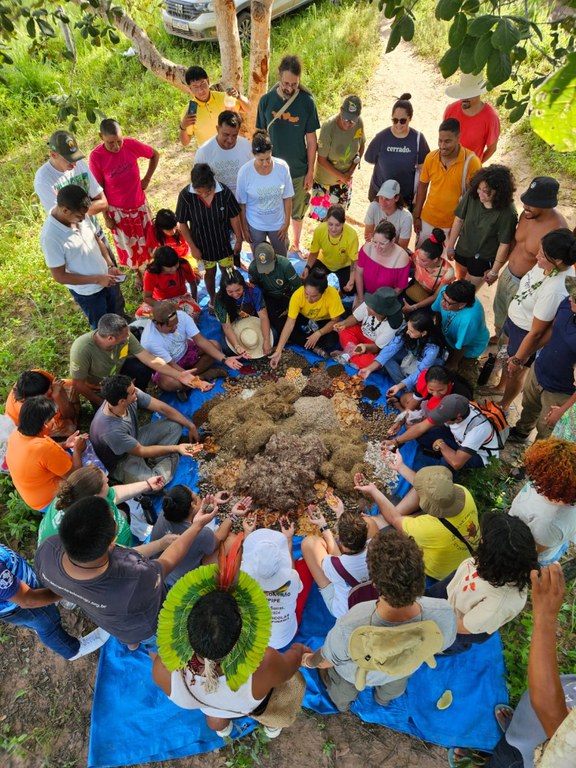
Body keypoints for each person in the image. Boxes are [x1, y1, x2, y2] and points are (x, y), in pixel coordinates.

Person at [152, 545, 310, 739]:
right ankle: (271, 727)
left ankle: (222, 730)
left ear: (187, 627)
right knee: (274, 708)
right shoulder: (265, 663)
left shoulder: (162, 670)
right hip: (249, 704)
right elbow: (288, 669)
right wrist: (298, 650)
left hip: (208, 705)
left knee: (215, 718)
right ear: (242, 630)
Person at [300, 530, 457, 712]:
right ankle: (383, 700)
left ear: (374, 582)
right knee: (393, 688)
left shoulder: (352, 622)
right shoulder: (444, 612)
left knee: (341, 694)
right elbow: (442, 643)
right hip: (401, 669)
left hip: (353, 675)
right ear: (422, 576)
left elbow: (328, 660)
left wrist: (309, 660)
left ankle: (343, 706)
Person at [35, 494, 218, 651]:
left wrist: (160, 544)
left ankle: (132, 645)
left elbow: (56, 591)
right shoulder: (135, 577)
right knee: (155, 638)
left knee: (128, 637)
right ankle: (148, 645)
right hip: (147, 626)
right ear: (112, 543)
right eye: (114, 519)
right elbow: (167, 562)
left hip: (112, 623)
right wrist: (196, 526)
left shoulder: (47, 551)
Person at [470, 565, 576, 768]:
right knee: (523, 727)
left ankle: (507, 749)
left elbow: (557, 727)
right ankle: (517, 728)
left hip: (529, 756)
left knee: (507, 758)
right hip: (542, 717)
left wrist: (545, 617)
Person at [426, 512, 538, 655]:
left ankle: (437, 648)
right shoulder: (496, 563)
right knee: (429, 598)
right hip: (455, 589)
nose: (480, 540)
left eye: (483, 540)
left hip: (458, 624)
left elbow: (464, 627)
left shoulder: (499, 603)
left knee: (441, 641)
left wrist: (431, 623)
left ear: (494, 557)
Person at [354, 464, 479, 582]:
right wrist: (400, 466)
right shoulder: (462, 493)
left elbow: (394, 519)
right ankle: (393, 516)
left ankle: (383, 517)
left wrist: (374, 491)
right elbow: (429, 488)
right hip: (461, 549)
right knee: (394, 516)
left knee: (378, 525)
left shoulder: (426, 529)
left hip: (442, 574)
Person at [496, 228, 576, 412]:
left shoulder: (557, 288)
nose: (537, 255)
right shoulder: (545, 265)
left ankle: (504, 404)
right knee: (504, 354)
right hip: (514, 321)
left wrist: (518, 359)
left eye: (542, 254)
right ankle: (500, 386)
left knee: (514, 372)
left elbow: (538, 332)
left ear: (558, 261)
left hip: (525, 335)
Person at [256, 54, 321, 252]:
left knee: (297, 211)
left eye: (294, 84)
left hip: (298, 169)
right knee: (276, 210)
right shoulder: (266, 100)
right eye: (286, 83)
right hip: (271, 169)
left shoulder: (306, 102)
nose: (290, 88)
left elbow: (311, 141)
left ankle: (297, 242)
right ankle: (279, 245)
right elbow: (259, 134)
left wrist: (311, 171)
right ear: (279, 76)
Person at [1, 542, 109, 660]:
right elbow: (28, 599)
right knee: (49, 625)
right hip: (24, 605)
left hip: (23, 588)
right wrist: (66, 592)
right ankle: (73, 650)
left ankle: (44, 614)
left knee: (40, 619)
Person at [70, 313, 205, 407]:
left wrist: (179, 375)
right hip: (100, 386)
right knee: (110, 412)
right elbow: (78, 384)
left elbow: (149, 358)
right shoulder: (82, 349)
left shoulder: (125, 335)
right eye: (124, 336)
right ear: (110, 338)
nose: (128, 336)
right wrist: (100, 402)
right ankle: (124, 398)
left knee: (142, 368)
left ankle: (134, 397)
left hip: (119, 372)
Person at [89, 374, 201, 484]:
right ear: (122, 401)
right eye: (132, 393)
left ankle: (161, 456)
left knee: (175, 425)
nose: (136, 393)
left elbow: (162, 408)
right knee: (156, 482)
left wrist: (190, 426)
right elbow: (141, 451)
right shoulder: (110, 431)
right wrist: (176, 448)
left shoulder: (128, 395)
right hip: (121, 460)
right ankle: (169, 456)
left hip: (134, 440)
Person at [491, 176, 567, 337]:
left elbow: (562, 268)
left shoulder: (557, 231)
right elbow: (513, 244)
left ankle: (503, 354)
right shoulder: (526, 215)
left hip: (525, 285)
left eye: (531, 203)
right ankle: (498, 337)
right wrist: (496, 269)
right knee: (499, 315)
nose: (525, 206)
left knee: (513, 327)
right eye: (526, 200)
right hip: (507, 274)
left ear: (547, 205)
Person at [89, 119, 159, 284]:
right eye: (110, 143)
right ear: (101, 137)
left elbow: (154, 154)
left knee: (150, 240)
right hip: (118, 211)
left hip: (140, 205)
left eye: (119, 141)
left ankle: (154, 272)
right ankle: (139, 276)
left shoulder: (130, 145)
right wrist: (106, 217)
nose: (116, 146)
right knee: (130, 247)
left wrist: (147, 179)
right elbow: (99, 189)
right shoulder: (97, 157)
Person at [40, 184, 119, 328]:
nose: (83, 219)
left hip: (106, 279)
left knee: (116, 319)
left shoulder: (80, 214)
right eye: (79, 216)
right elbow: (60, 276)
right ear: (65, 210)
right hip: (89, 293)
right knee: (104, 329)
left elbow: (96, 239)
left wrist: (110, 265)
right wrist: (97, 279)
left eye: (85, 214)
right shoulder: (50, 237)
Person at [509, 284, 576, 442]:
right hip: (539, 369)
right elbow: (552, 330)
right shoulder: (568, 304)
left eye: (575, 298)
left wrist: (563, 411)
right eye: (572, 294)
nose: (570, 298)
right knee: (529, 406)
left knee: (547, 431)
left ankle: (533, 462)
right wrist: (528, 354)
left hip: (561, 392)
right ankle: (521, 432)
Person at [39, 465, 165, 548]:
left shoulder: (71, 493)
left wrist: (147, 484)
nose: (108, 481)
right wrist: (158, 545)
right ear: (95, 498)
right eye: (106, 482)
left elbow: (114, 494)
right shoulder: (86, 531)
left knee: (124, 511)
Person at [176, 163, 243, 311]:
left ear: (212, 184)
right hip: (202, 245)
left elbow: (234, 216)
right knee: (209, 274)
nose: (202, 195)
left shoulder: (223, 192)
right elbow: (182, 223)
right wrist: (193, 247)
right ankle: (213, 299)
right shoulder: (186, 196)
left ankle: (228, 297)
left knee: (228, 272)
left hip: (224, 243)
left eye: (206, 193)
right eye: (199, 193)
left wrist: (238, 239)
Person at [151, 486, 248, 587]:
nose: (198, 496)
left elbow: (191, 514)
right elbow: (218, 540)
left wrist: (212, 502)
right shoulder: (201, 534)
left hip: (160, 570)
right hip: (180, 581)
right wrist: (233, 515)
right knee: (232, 539)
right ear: (193, 504)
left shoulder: (168, 511)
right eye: (195, 495)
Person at [6, 397, 87, 512]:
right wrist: (78, 450)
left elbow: (40, 455)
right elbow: (75, 476)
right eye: (53, 419)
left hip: (32, 497)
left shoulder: (16, 435)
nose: (55, 421)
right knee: (89, 480)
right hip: (50, 501)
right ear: (45, 425)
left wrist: (65, 444)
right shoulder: (45, 449)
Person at [383, 393, 500, 471]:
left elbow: (456, 462)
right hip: (458, 439)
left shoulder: (478, 428)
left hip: (478, 455)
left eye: (444, 419)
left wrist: (441, 444)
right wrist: (395, 441)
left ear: (458, 419)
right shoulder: (456, 408)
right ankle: (439, 451)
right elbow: (420, 428)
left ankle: (446, 478)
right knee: (422, 435)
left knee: (447, 462)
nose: (440, 420)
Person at [141, 301, 242, 390]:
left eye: (176, 324)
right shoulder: (150, 341)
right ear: (156, 324)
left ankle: (187, 384)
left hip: (187, 351)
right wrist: (198, 382)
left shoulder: (182, 316)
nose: (175, 328)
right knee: (169, 383)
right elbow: (172, 364)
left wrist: (225, 359)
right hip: (169, 366)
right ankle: (203, 376)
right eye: (170, 327)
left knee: (215, 346)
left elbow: (200, 340)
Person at [446, 165, 518, 290]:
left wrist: (494, 271)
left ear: (499, 193)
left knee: (468, 293)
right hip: (463, 249)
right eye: (480, 189)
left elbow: (504, 244)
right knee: (458, 283)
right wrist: (451, 246)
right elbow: (459, 220)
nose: (480, 194)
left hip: (484, 258)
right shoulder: (473, 194)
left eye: (486, 192)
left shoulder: (508, 213)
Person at [412, 118, 482, 246]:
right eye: (440, 140)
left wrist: (460, 226)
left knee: (443, 263)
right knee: (421, 259)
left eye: (447, 141)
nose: (442, 146)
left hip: (452, 225)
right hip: (427, 220)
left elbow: (474, 198)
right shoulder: (430, 158)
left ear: (458, 138)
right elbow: (422, 187)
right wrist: (417, 216)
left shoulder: (471, 162)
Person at [509, 438, 576, 565]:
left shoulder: (550, 523)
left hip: (527, 553)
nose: (533, 477)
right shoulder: (549, 485)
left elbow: (531, 551)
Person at [241, 518, 303, 650]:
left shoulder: (243, 579)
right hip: (285, 638)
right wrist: (288, 539)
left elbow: (244, 560)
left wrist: (248, 533)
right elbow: (291, 574)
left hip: (253, 639)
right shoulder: (292, 578)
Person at [301, 502, 369, 619]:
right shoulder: (376, 549)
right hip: (372, 604)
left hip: (345, 611)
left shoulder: (332, 564)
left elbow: (334, 553)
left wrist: (323, 525)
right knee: (340, 568)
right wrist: (341, 513)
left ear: (341, 542)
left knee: (309, 543)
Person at [269, 267, 344, 367]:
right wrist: (278, 350)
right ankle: (313, 347)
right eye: (306, 294)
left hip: (323, 322)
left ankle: (302, 339)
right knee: (281, 324)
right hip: (304, 318)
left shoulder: (332, 294)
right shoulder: (297, 295)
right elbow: (290, 323)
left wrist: (318, 333)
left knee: (330, 341)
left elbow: (335, 320)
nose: (309, 299)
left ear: (323, 292)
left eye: (314, 296)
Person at [364, 93, 430, 207]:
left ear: (410, 118)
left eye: (403, 121)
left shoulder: (418, 139)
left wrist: (418, 195)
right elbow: (369, 158)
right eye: (395, 120)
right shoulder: (382, 137)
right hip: (381, 198)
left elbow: (425, 169)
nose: (398, 124)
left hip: (404, 200)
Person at [235, 131, 294, 258]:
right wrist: (245, 229)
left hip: (278, 224)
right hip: (255, 224)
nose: (265, 163)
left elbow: (287, 197)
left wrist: (287, 223)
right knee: (261, 260)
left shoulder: (282, 167)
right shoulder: (244, 173)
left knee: (281, 258)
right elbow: (242, 205)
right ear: (253, 155)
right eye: (261, 160)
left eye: (268, 158)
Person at [309, 95, 365, 221]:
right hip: (325, 184)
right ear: (340, 110)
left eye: (352, 120)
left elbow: (361, 147)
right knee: (324, 222)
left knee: (339, 222)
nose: (348, 123)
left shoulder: (359, 123)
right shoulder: (328, 127)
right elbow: (321, 160)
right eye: (346, 118)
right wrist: (342, 176)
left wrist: (349, 173)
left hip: (344, 182)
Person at [34, 129, 108, 218]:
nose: (74, 164)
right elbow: (60, 218)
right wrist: (89, 207)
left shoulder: (79, 163)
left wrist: (74, 211)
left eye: (75, 158)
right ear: (53, 155)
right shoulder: (43, 179)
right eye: (69, 159)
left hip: (94, 229)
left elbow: (103, 202)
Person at [360, 311, 444, 385]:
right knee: (386, 358)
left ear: (423, 333)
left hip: (425, 363)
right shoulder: (406, 330)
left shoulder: (432, 349)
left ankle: (405, 387)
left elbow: (420, 371)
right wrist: (369, 369)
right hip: (411, 353)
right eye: (408, 328)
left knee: (418, 380)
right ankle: (401, 383)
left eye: (412, 332)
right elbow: (392, 348)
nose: (407, 332)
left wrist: (401, 386)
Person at [431, 280, 490, 387]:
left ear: (461, 305)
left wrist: (453, 363)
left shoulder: (470, 319)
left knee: (462, 374)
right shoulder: (446, 291)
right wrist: (438, 329)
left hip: (469, 349)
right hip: (449, 336)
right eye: (443, 298)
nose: (442, 303)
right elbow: (437, 310)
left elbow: (462, 345)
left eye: (448, 303)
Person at [333, 286, 405, 369]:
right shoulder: (370, 304)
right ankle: (351, 357)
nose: (367, 307)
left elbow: (377, 348)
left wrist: (365, 347)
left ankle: (347, 355)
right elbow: (355, 318)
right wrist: (343, 324)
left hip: (372, 345)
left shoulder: (393, 324)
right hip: (361, 332)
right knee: (344, 330)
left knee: (370, 362)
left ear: (380, 312)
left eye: (371, 308)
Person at [178, 66, 248, 148]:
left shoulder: (223, 97)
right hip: (209, 155)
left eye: (202, 84)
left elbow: (247, 108)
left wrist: (239, 96)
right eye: (195, 87)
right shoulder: (189, 111)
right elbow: (185, 143)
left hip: (231, 149)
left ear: (208, 81)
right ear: (190, 88)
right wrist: (183, 127)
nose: (201, 90)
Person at [214, 268, 273, 357]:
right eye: (230, 292)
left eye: (238, 290)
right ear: (224, 289)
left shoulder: (254, 291)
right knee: (227, 350)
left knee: (274, 336)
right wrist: (237, 346)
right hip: (232, 324)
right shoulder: (220, 299)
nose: (235, 294)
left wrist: (266, 341)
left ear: (244, 285)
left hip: (253, 320)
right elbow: (227, 327)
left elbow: (264, 317)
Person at [5, 369, 80, 439]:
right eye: (47, 395)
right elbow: (69, 414)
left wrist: (58, 393)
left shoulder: (38, 374)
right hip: (34, 426)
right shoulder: (30, 410)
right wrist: (57, 396)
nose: (51, 391)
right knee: (70, 427)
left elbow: (57, 383)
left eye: (50, 389)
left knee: (73, 385)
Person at [443, 73, 501, 163]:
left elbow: (492, 148)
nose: (464, 98)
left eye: (469, 95)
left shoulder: (490, 117)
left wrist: (476, 165)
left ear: (479, 94)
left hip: (470, 171)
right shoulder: (451, 109)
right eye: (463, 94)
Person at [247, 242, 302, 336]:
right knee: (277, 325)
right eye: (262, 268)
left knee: (298, 319)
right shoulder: (253, 268)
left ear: (274, 258)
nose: (266, 271)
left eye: (269, 266)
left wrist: (290, 307)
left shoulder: (284, 265)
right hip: (268, 296)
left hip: (287, 295)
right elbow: (255, 288)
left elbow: (298, 287)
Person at [303, 205, 359, 295]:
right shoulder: (320, 230)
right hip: (324, 261)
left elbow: (354, 260)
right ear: (326, 221)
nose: (333, 229)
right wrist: (307, 267)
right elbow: (314, 252)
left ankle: (341, 292)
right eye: (330, 224)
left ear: (343, 223)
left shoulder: (351, 235)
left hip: (344, 265)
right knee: (310, 280)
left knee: (351, 289)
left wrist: (351, 280)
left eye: (337, 225)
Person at [194, 110, 252, 196]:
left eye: (234, 135)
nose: (230, 140)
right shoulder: (204, 152)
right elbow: (198, 183)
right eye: (226, 134)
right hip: (217, 204)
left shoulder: (247, 147)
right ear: (217, 129)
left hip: (244, 202)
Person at [355, 221, 411, 301]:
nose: (377, 247)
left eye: (382, 243)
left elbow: (399, 288)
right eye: (374, 242)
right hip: (366, 292)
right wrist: (361, 298)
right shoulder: (367, 249)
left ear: (392, 241)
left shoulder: (402, 259)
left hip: (385, 300)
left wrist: (381, 304)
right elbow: (359, 273)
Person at [402, 229, 454, 313]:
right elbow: (410, 263)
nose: (418, 261)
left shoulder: (447, 272)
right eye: (419, 257)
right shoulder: (418, 254)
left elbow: (435, 296)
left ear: (435, 260)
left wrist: (413, 307)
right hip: (414, 285)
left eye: (423, 260)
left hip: (430, 298)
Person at [139, 245, 200, 317]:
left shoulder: (183, 265)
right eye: (169, 268)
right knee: (141, 315)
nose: (174, 269)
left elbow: (193, 284)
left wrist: (194, 302)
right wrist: (163, 306)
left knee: (194, 312)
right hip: (159, 301)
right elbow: (147, 297)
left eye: (176, 265)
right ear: (160, 266)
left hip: (181, 297)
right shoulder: (151, 273)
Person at [363, 179, 413, 250]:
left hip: (393, 252)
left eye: (387, 199)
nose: (382, 203)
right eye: (381, 198)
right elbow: (367, 236)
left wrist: (376, 238)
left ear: (396, 198)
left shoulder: (406, 217)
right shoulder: (373, 206)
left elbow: (402, 248)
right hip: (375, 247)